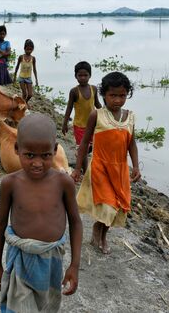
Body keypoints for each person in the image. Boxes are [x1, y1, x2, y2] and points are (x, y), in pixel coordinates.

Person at [0, 113, 83, 312]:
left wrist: (74, 265)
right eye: (29, 155)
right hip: (21, 259)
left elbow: (76, 222)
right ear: (17, 149)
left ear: (55, 149)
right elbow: (0, 223)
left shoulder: (63, 183)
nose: (37, 163)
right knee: (19, 307)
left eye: (45, 155)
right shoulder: (10, 183)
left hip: (52, 260)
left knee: (46, 306)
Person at [71, 72, 140, 254]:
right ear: (104, 95)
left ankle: (102, 234)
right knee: (108, 206)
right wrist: (77, 168)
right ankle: (97, 230)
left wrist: (137, 166)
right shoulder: (97, 115)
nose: (117, 100)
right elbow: (85, 143)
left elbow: (131, 143)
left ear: (127, 95)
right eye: (113, 95)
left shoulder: (130, 117)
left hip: (120, 169)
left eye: (122, 95)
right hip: (100, 167)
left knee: (118, 206)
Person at [62, 61, 102, 174]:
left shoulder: (93, 89)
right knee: (83, 149)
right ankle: (85, 171)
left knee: (93, 147)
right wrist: (64, 123)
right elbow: (69, 108)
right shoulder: (74, 91)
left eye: (85, 75)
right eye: (80, 75)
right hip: (79, 126)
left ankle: (90, 165)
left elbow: (97, 105)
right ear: (76, 76)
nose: (83, 78)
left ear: (90, 75)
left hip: (93, 124)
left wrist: (106, 113)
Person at [13, 39, 39, 103]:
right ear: (24, 48)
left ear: (32, 49)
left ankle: (25, 103)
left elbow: (34, 69)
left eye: (30, 49)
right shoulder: (21, 57)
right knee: (24, 94)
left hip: (28, 78)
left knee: (30, 94)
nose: (29, 51)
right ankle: (22, 106)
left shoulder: (33, 58)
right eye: (27, 49)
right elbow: (17, 66)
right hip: (21, 78)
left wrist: (36, 79)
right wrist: (15, 76)